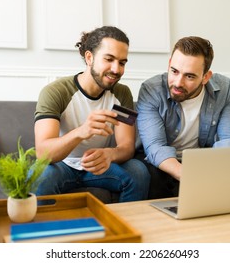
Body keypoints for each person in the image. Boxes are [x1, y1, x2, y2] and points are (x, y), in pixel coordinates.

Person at [34, 26, 150, 202]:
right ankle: (45, 230)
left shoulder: (122, 93)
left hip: (100, 168)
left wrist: (110, 154)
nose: (116, 69)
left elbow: (126, 146)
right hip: (62, 165)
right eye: (109, 59)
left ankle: (125, 227)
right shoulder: (55, 92)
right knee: (39, 175)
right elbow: (43, 153)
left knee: (138, 171)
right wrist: (81, 131)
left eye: (122, 62)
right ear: (89, 57)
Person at [136, 36, 230, 198]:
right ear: (169, 63)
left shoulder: (225, 89)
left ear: (206, 77)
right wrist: (188, 176)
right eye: (174, 71)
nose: (178, 82)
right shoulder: (151, 89)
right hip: (162, 164)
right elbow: (155, 147)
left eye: (190, 76)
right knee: (153, 175)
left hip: (202, 160)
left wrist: (216, 172)